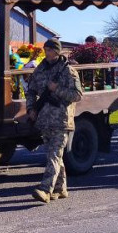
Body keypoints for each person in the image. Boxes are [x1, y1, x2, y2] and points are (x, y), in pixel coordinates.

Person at [25, 39, 82, 203]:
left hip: (61, 120)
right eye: (45, 49)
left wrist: (57, 89)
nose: (46, 52)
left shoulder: (68, 71)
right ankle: (60, 188)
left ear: (57, 52)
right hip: (44, 119)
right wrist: (31, 109)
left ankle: (45, 189)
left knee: (54, 155)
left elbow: (77, 95)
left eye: (49, 49)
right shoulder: (40, 70)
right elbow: (31, 91)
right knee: (54, 155)